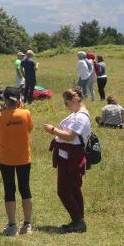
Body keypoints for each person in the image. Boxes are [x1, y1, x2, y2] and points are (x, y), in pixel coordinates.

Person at [42, 87, 92, 233]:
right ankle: (78, 220)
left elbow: (70, 136)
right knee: (73, 189)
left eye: (66, 103)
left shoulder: (81, 117)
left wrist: (52, 130)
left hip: (72, 157)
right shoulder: (76, 114)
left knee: (63, 191)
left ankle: (78, 221)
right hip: (67, 156)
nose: (66, 106)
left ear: (74, 100)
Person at [0, 87, 34, 236]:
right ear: (19, 100)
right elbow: (30, 128)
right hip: (23, 158)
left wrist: (3, 113)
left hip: (6, 158)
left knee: (9, 190)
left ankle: (12, 225)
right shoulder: (26, 113)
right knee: (25, 189)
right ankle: (27, 225)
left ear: (4, 100)